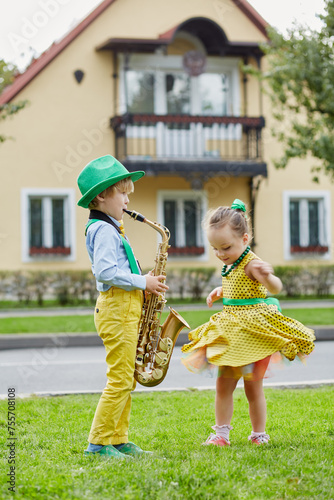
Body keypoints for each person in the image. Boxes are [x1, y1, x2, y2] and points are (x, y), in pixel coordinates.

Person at [182, 199, 315, 447]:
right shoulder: (231, 262)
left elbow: (275, 287)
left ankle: (258, 434)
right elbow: (237, 286)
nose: (221, 254)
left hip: (254, 333)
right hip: (232, 334)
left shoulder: (252, 263)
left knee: (253, 387)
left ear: (244, 239)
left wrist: (268, 277)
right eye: (215, 249)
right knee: (223, 385)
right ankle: (221, 434)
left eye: (225, 247)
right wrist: (220, 291)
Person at [77, 154, 168, 459]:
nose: (129, 199)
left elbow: (115, 268)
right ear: (102, 196)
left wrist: (143, 279)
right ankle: (97, 444)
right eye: (124, 192)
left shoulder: (111, 226)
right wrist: (143, 283)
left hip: (124, 308)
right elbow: (104, 272)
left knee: (127, 378)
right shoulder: (102, 230)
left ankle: (118, 438)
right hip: (116, 310)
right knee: (119, 379)